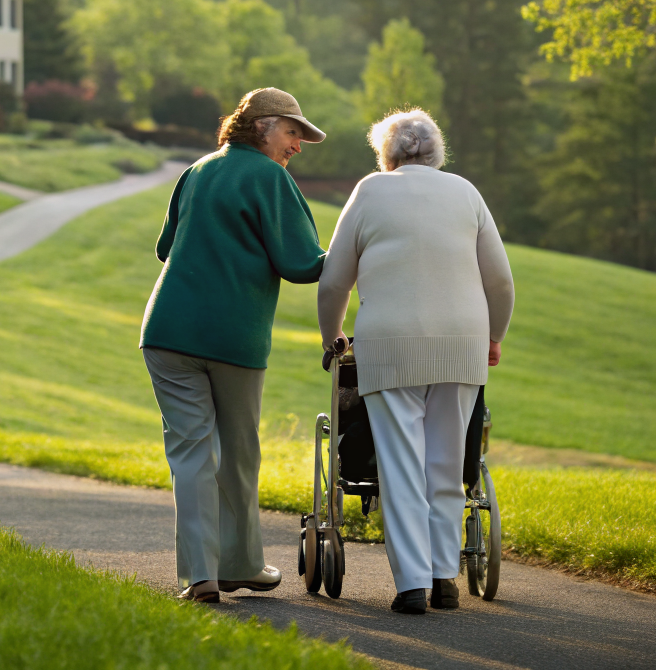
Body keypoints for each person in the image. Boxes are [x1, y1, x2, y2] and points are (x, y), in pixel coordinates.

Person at [317, 109, 514, 614]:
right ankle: (444, 576)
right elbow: (501, 283)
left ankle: (410, 587)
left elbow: (335, 280)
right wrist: (493, 337)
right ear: (436, 151)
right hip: (460, 345)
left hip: (390, 346)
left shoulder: (369, 192)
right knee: (447, 466)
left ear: (387, 154)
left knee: (401, 468)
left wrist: (332, 336)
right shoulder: (466, 193)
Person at [140, 87, 329, 603]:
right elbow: (301, 264)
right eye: (292, 132)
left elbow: (165, 248)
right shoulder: (270, 178)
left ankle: (201, 576)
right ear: (263, 126)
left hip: (166, 332)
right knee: (239, 453)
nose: (297, 145)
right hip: (232, 339)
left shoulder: (197, 170)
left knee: (190, 454)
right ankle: (242, 564)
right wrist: (352, 254)